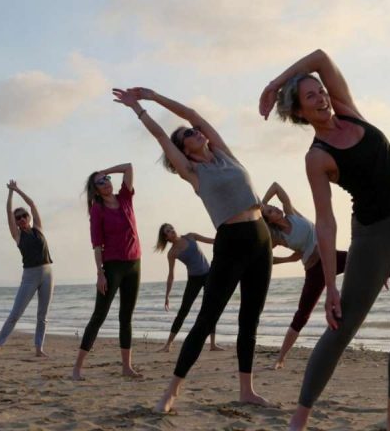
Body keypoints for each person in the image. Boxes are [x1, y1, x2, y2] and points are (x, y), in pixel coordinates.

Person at [260, 49, 390, 431]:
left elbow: (320, 57)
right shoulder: (317, 156)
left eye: (320, 90)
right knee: (343, 326)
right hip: (374, 237)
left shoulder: (348, 109)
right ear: (300, 113)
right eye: (310, 97)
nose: (321, 97)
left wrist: (275, 83)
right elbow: (325, 222)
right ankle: (298, 420)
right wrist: (331, 285)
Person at [112, 87, 273, 413]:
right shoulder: (192, 171)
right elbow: (161, 137)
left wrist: (155, 96)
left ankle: (247, 389)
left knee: (250, 319)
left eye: (195, 131)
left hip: (261, 238)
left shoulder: (225, 153)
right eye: (188, 135)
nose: (196, 132)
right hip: (231, 242)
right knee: (205, 319)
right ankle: (171, 392)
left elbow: (195, 116)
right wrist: (139, 108)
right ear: (184, 150)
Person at [260, 182, 350, 370]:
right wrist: (287, 260)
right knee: (302, 315)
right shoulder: (278, 237)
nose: (275, 208)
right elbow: (264, 257)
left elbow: (277, 186)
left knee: (363, 261)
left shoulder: (291, 213)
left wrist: (263, 204)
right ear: (269, 221)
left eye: (273, 207)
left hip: (330, 257)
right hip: (314, 269)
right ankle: (280, 358)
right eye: (271, 212)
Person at [72, 164, 142, 380]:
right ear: (95, 190)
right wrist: (100, 273)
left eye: (107, 179)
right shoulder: (97, 209)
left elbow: (129, 167)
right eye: (101, 182)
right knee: (99, 316)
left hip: (134, 264)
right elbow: (97, 245)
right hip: (112, 267)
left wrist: (103, 170)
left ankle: (126, 367)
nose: (106, 183)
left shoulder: (124, 197)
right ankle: (77, 368)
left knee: (126, 317)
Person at [0, 180, 54, 358]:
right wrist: (10, 193)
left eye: (24, 215)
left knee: (43, 314)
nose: (22, 219)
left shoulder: (38, 229)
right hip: (30, 275)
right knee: (15, 313)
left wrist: (17, 189)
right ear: (16, 223)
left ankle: (39, 348)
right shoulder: (17, 236)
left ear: (29, 217)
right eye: (18, 218)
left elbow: (32, 204)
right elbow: (8, 212)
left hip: (48, 272)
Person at [154, 224, 222, 353]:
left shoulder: (191, 236)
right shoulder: (172, 253)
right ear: (166, 238)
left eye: (171, 228)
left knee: (211, 308)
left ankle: (213, 344)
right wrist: (167, 295)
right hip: (194, 280)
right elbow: (171, 275)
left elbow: (212, 241)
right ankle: (168, 345)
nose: (171, 231)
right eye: (167, 231)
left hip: (208, 275)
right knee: (183, 311)